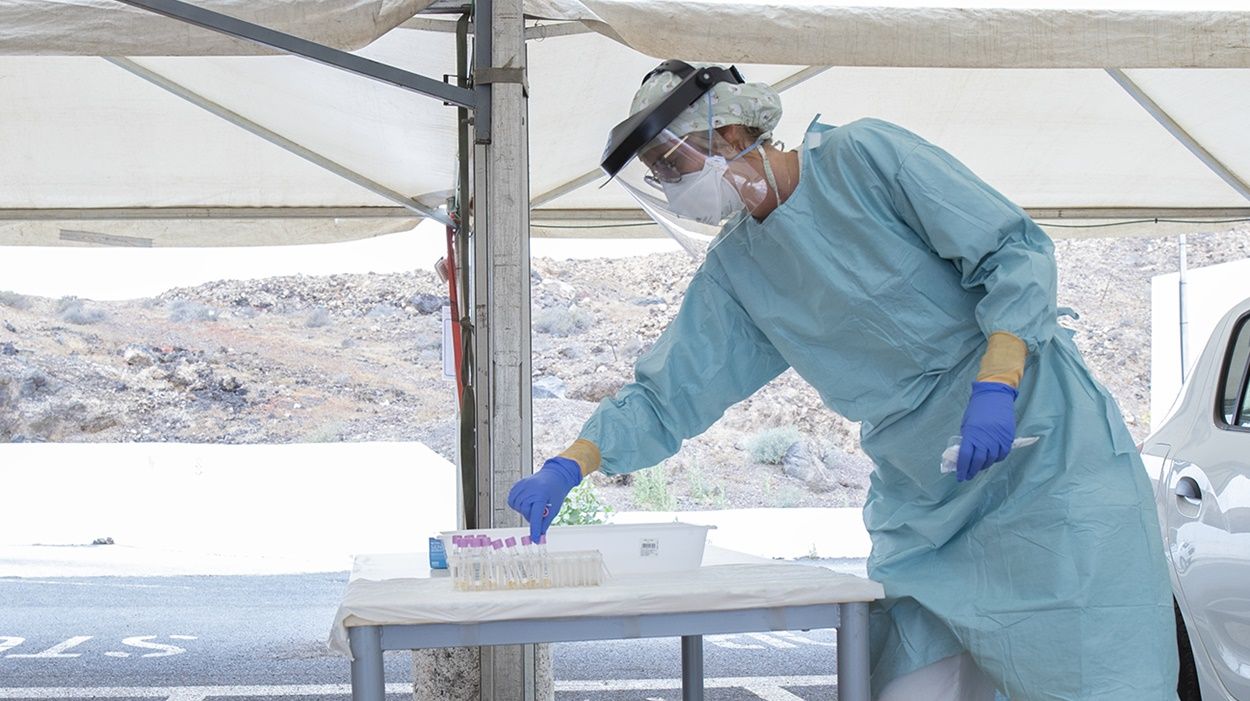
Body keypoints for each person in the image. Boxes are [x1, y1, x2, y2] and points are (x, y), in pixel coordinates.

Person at [508, 60, 1179, 700]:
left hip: (1048, 465)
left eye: (672, 163)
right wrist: (572, 463)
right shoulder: (739, 273)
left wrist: (997, 383)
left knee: (1098, 678)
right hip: (927, 506)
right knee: (903, 682)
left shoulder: (863, 159)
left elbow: (1011, 250)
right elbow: (669, 392)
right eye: (656, 174)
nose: (670, 184)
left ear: (733, 133)